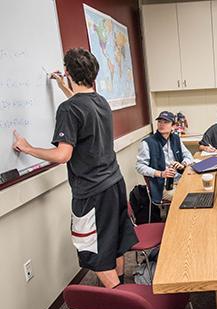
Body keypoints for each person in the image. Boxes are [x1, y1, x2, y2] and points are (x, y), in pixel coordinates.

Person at [12, 48, 138, 288]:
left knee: (99, 256)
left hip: (92, 193)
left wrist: (27, 148)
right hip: (114, 184)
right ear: (94, 74)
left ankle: (122, 308)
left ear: (68, 72)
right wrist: (61, 85)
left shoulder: (69, 109)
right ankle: (122, 292)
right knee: (115, 244)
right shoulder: (100, 102)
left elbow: (62, 155)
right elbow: (80, 103)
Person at [136, 111, 194, 204]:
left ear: (173, 126)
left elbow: (188, 156)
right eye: (159, 122)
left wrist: (182, 164)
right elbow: (140, 167)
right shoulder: (147, 143)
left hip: (179, 179)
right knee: (184, 197)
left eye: (166, 122)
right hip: (161, 186)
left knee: (198, 190)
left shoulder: (175, 138)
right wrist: (161, 173)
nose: (161, 125)